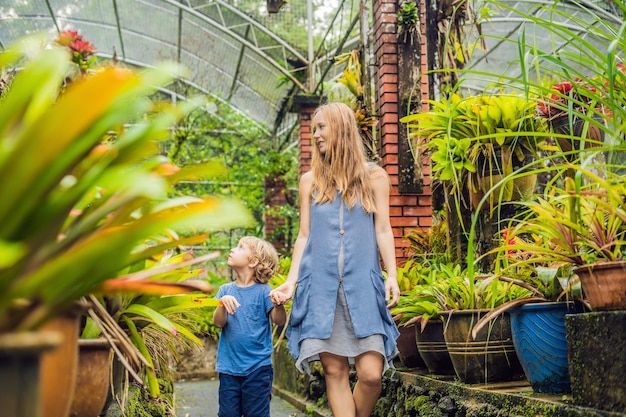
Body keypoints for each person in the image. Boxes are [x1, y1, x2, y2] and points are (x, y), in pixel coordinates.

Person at [269, 102, 400, 417]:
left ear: (341, 127)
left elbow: (383, 229)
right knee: (335, 372)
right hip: (322, 291)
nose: (315, 135)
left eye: (321, 127)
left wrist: (392, 275)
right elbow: (304, 236)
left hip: (363, 288)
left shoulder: (375, 177)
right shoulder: (310, 181)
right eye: (314, 129)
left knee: (370, 375)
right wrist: (290, 281)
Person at [213, 236, 286, 417]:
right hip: (229, 369)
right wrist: (222, 303)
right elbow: (218, 322)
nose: (233, 249)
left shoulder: (264, 291)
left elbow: (279, 320)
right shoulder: (225, 290)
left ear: (253, 261)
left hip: (258, 369)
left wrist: (279, 304)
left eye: (240, 247)